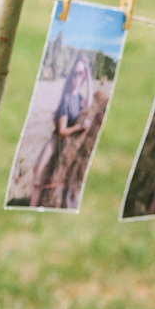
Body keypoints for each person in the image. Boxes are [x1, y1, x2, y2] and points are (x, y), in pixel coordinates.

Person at [30, 56, 94, 206]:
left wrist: (90, 80)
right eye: (75, 73)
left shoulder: (79, 98)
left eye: (80, 74)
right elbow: (62, 131)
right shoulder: (66, 99)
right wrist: (79, 127)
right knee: (39, 178)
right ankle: (32, 206)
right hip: (55, 143)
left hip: (68, 146)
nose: (76, 78)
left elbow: (89, 105)